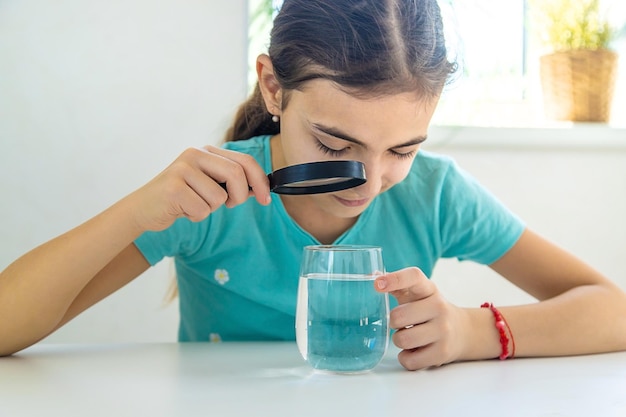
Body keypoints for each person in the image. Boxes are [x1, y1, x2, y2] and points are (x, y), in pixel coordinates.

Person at [1, 0, 625, 370]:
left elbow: (614, 310)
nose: (370, 182)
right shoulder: (212, 196)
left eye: (403, 149)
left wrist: (470, 331)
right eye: (334, 146)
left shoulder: (434, 193)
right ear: (274, 87)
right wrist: (138, 211)